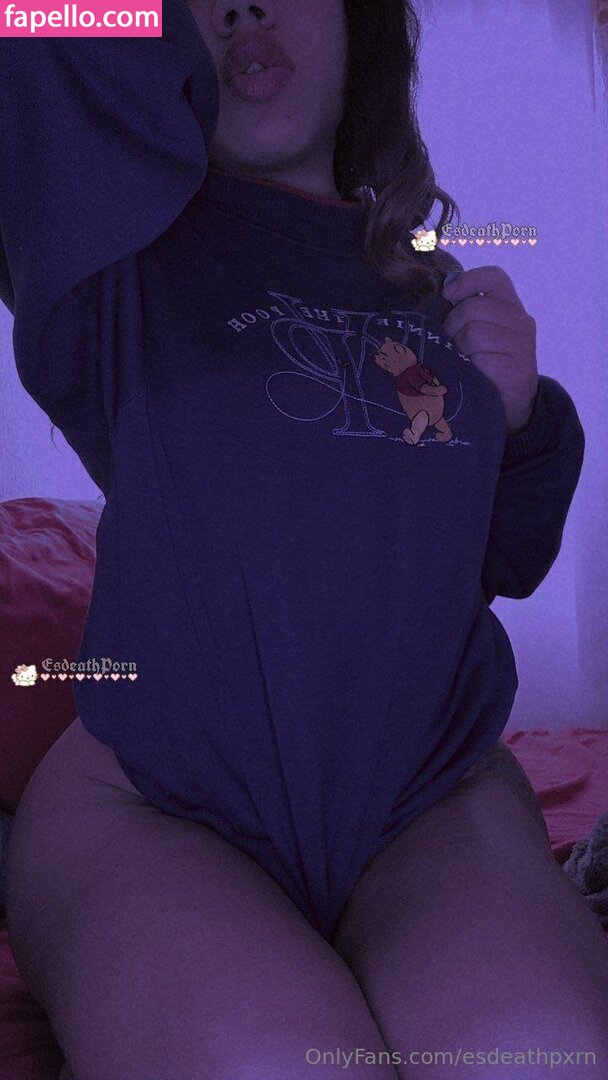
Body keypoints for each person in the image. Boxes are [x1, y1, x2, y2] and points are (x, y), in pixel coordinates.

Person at [2, 1, 607, 1077]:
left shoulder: (428, 280)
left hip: (421, 798)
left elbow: (501, 561)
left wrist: (519, 418)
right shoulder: (105, 252)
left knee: (539, 1055)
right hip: (157, 805)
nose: (242, 9)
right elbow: (35, 24)